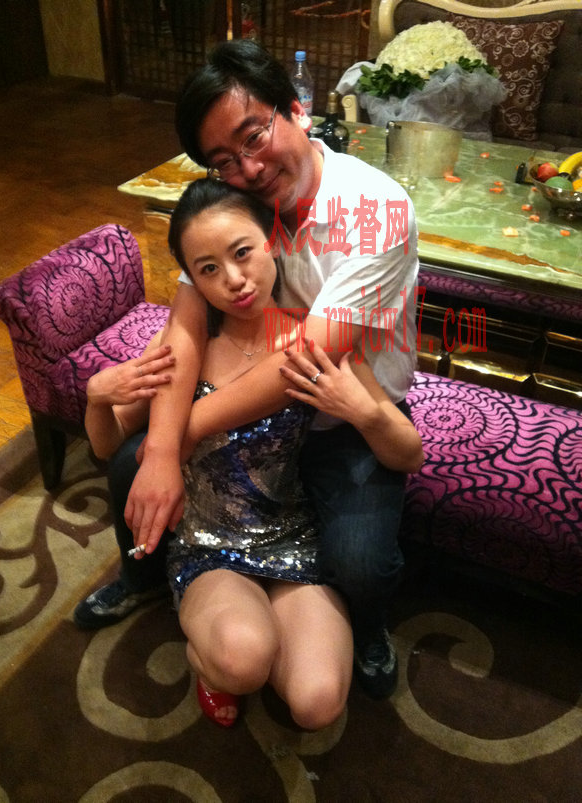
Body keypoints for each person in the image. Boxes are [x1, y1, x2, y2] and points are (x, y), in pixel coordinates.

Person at [77, 39, 421, 700]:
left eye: (254, 136)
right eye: (223, 160)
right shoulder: (235, 209)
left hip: (348, 408)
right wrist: (156, 451)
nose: (250, 168)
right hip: (244, 395)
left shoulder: (376, 211)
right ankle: (142, 575)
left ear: (296, 109)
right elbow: (185, 324)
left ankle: (368, 622)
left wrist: (174, 438)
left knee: (359, 560)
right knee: (128, 468)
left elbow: (308, 357)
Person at [84, 178, 354, 730]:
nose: (233, 279)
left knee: (318, 704)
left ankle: (257, 638)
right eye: (208, 269)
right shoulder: (182, 349)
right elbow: (110, 445)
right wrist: (96, 396)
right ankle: (213, 660)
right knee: (242, 659)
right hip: (207, 545)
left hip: (292, 537)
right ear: (192, 280)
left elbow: (389, 426)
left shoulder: (314, 337)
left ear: (272, 242)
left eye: (242, 252)